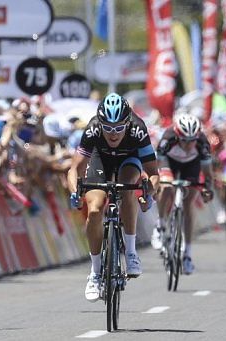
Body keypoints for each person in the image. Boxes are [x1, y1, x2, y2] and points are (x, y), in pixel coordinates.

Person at [67, 93, 159, 302]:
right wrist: (75, 192)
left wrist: (148, 192)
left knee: (127, 189)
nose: (113, 134)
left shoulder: (138, 129)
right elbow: (75, 169)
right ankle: (96, 272)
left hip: (129, 160)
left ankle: (131, 252)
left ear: (128, 123)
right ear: (101, 124)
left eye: (119, 128)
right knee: (96, 209)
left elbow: (153, 173)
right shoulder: (92, 129)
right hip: (101, 161)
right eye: (108, 128)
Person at [152, 111, 214, 275]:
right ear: (178, 136)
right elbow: (157, 166)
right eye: (185, 141)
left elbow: (208, 173)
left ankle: (187, 253)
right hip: (169, 162)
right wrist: (160, 182)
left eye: (192, 141)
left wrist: (208, 188)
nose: (188, 145)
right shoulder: (168, 138)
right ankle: (160, 224)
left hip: (191, 165)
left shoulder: (202, 143)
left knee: (189, 202)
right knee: (166, 187)